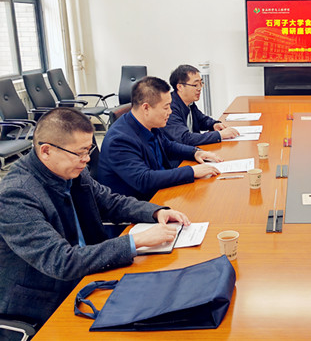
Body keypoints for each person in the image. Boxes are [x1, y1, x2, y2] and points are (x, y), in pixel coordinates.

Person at [0, 108, 191, 326]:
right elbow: (61, 261)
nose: (87, 159)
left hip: (91, 275)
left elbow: (110, 202)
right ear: (46, 151)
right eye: (80, 152)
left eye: (88, 149)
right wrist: (136, 241)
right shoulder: (16, 195)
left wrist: (156, 212)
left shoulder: (71, 170)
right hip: (48, 302)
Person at [97, 76, 221, 201]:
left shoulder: (149, 124)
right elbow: (144, 180)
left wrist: (195, 152)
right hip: (140, 203)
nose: (170, 112)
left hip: (160, 191)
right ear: (146, 108)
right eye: (166, 107)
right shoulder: (119, 140)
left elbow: (168, 145)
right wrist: (191, 171)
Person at [165, 64, 239, 146]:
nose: (199, 88)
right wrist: (219, 135)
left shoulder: (189, 103)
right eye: (195, 85)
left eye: (201, 83)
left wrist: (214, 124)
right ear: (180, 87)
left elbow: (202, 120)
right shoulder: (170, 108)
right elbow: (184, 138)